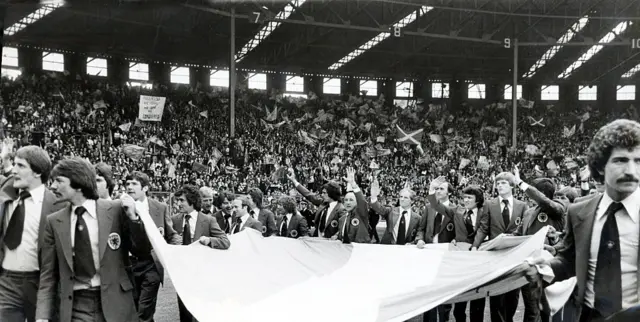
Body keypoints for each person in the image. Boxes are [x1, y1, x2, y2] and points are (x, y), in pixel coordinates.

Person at [523, 119, 640, 322]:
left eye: (638, 160)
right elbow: (568, 261)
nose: (631, 170)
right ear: (601, 167)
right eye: (621, 160)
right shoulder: (579, 212)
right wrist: (547, 266)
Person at [35, 157, 151, 322]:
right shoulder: (54, 222)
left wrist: (133, 218)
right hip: (76, 305)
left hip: (116, 303)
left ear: (78, 182)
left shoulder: (116, 210)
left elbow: (142, 251)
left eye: (59, 181)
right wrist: (41, 318)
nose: (52, 186)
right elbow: (48, 275)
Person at [0, 145, 65, 322]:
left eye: (21, 166)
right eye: (14, 164)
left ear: (37, 172)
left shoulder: (56, 205)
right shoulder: (6, 194)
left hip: (41, 284)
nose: (14, 170)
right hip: (6, 283)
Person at [513, 165, 569, 322]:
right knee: (531, 309)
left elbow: (545, 202)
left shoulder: (557, 207)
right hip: (528, 264)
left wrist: (521, 183)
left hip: (548, 266)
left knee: (545, 310)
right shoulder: (529, 212)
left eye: (534, 191)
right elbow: (518, 234)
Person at [125, 171, 182, 322]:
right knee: (134, 309)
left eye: (134, 183)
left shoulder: (160, 207)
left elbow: (171, 234)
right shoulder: (119, 207)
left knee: (144, 310)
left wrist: (181, 248)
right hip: (128, 265)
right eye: (127, 184)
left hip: (151, 265)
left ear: (145, 188)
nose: (129, 187)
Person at [473, 171, 528, 322]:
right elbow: (484, 228)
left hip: (515, 256)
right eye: (498, 183)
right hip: (495, 256)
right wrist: (475, 246)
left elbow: (524, 230)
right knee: (496, 296)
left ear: (512, 185)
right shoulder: (489, 204)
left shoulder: (522, 206)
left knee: (513, 296)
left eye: (503, 182)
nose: (499, 185)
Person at [171, 184, 229, 322]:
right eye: (177, 200)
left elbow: (225, 242)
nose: (178, 204)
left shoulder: (208, 220)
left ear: (192, 201)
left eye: (182, 200)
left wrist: (209, 240)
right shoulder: (175, 220)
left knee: (200, 313)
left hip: (202, 274)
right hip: (182, 273)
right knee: (184, 312)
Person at [287, 168, 345, 238]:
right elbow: (308, 194)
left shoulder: (341, 209)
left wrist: (337, 236)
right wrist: (294, 180)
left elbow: (344, 227)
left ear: (331, 193)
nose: (322, 195)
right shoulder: (323, 203)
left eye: (324, 193)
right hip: (317, 240)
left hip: (331, 245)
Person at [370, 178, 421, 245]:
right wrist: (374, 197)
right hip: (389, 248)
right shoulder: (391, 211)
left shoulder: (417, 218)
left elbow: (419, 234)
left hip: (406, 250)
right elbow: (379, 208)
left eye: (405, 197)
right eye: (401, 197)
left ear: (412, 201)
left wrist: (412, 243)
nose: (402, 199)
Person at [337, 167, 371, 244]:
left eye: (351, 200)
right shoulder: (342, 218)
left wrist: (353, 184)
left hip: (360, 251)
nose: (348, 202)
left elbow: (362, 202)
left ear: (356, 203)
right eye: (346, 200)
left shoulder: (361, 214)